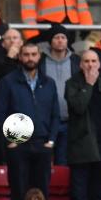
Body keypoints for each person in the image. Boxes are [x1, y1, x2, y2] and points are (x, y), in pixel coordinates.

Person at [0, 42, 61, 200]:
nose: (30, 58)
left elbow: (55, 115)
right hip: (18, 145)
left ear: (39, 56)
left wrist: (51, 141)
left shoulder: (49, 83)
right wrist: (10, 142)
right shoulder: (7, 82)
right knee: (18, 193)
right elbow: (0, 114)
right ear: (19, 57)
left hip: (43, 144)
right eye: (26, 54)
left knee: (42, 194)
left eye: (33, 54)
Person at [65, 49, 101, 200]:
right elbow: (79, 107)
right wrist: (88, 85)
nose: (90, 65)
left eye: (93, 61)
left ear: (99, 64)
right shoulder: (72, 84)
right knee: (79, 193)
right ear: (80, 64)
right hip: (81, 146)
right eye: (86, 61)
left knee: (97, 193)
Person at [39, 23, 80, 166]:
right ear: (50, 41)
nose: (60, 40)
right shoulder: (41, 61)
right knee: (44, 161)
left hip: (70, 120)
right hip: (46, 121)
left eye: (63, 37)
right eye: (56, 37)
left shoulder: (76, 61)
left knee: (63, 162)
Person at [20, 0, 92, 41]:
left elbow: (82, 4)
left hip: (69, 28)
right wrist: (31, 34)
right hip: (46, 28)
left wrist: (86, 26)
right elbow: (28, 7)